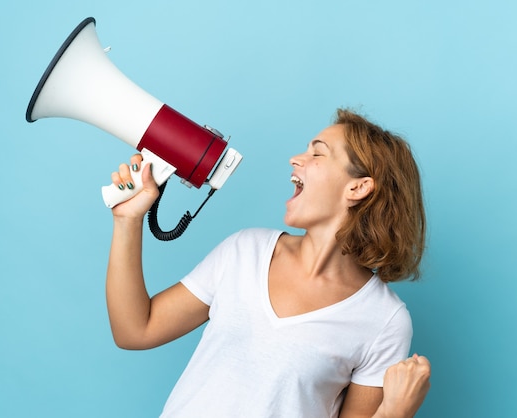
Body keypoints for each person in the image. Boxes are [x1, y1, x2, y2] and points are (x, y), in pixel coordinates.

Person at [106, 108, 428, 417]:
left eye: (317, 153)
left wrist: (393, 413)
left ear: (358, 187)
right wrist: (127, 221)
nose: (295, 159)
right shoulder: (245, 251)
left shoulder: (384, 319)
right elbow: (135, 330)